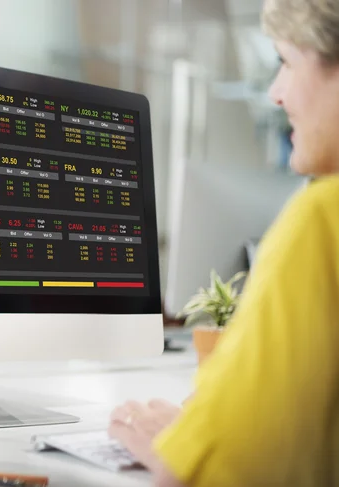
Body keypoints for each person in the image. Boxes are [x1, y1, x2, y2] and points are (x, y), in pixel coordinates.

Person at [108, 0, 339, 485]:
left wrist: (178, 444)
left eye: (286, 62)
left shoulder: (322, 218)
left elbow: (224, 470)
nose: (276, 93)